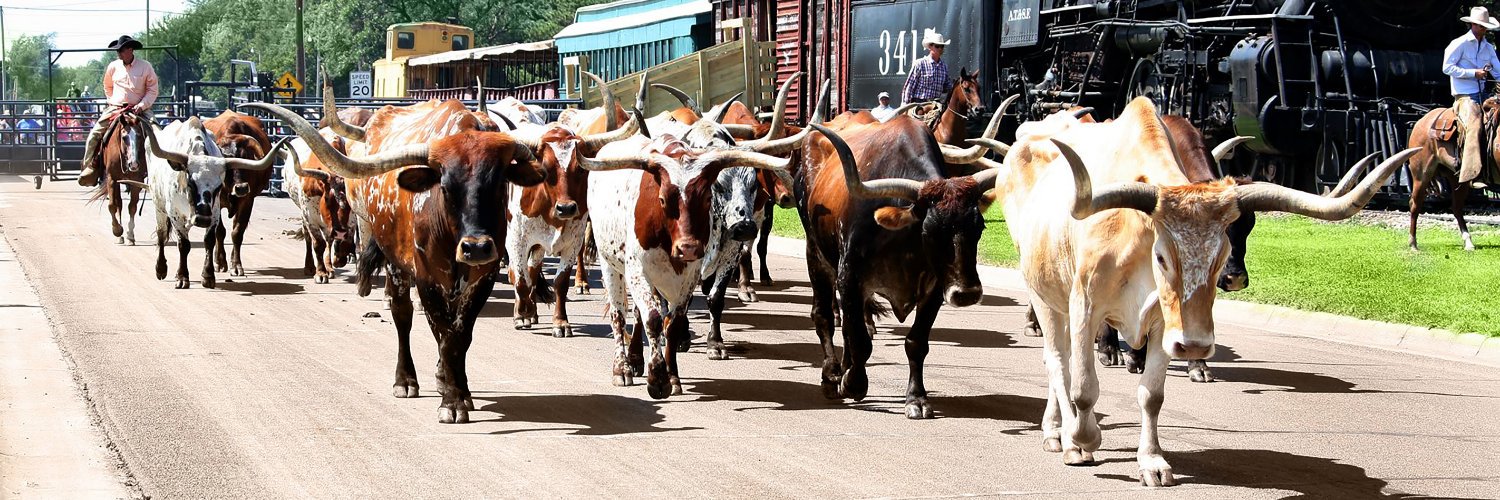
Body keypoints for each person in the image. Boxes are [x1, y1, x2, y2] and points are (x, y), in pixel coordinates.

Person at [78, 35, 158, 187]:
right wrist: (112, 101)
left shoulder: (145, 66)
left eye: (121, 50)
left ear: (130, 50)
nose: (118, 53)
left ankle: (162, 171)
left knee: (158, 133)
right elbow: (107, 86)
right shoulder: (113, 67)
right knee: (94, 135)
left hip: (141, 109)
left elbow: (152, 90)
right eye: (118, 51)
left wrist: (141, 105)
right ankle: (89, 168)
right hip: (116, 108)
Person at [1442, 7, 1500, 190]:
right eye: (1482, 26)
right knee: (1475, 125)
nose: (1485, 30)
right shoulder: (1459, 44)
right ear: (1473, 24)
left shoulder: (1488, 47)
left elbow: (1498, 71)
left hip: (1483, 94)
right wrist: (1472, 73)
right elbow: (1447, 67)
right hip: (1464, 96)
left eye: (1486, 27)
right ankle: (1472, 174)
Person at [901, 29, 951, 106]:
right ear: (930, 47)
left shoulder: (944, 67)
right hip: (919, 104)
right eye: (937, 46)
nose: (940, 49)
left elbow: (948, 86)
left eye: (942, 46)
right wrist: (906, 105)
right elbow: (909, 86)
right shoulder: (920, 64)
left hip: (936, 105)